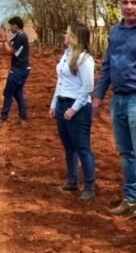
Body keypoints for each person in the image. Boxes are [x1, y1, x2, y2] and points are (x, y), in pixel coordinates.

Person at [93, 0, 136, 218]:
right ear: (120, 4)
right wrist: (98, 96)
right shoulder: (114, 31)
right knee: (124, 151)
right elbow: (107, 64)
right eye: (125, 2)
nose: (129, 7)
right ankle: (131, 198)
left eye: (134, 2)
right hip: (117, 98)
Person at [49, 23, 96, 201]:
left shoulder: (84, 59)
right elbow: (60, 82)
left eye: (67, 34)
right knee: (68, 147)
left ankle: (90, 186)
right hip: (62, 103)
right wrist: (54, 104)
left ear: (75, 37)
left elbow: (87, 87)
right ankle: (72, 180)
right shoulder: (66, 55)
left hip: (79, 108)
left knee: (83, 148)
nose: (64, 36)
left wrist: (74, 108)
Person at [0, 16, 30, 126]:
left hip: (18, 69)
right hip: (23, 68)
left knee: (8, 92)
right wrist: (3, 39)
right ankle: (23, 119)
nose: (11, 27)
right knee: (17, 93)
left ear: (16, 25)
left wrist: (5, 39)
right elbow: (7, 44)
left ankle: (3, 119)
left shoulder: (21, 37)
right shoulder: (19, 36)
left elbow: (10, 51)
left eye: (11, 25)